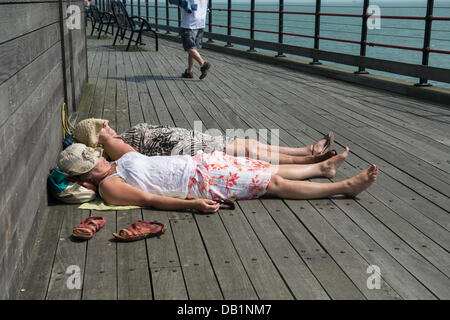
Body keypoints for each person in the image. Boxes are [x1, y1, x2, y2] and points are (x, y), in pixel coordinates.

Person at [58, 142, 378, 217]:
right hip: (201, 182)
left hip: (202, 163)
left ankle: (321, 170)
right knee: (271, 184)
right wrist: (192, 205)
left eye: (94, 153)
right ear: (85, 176)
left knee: (265, 170)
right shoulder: (109, 186)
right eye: (92, 161)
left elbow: (121, 146)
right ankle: (344, 188)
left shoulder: (116, 162)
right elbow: (151, 200)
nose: (98, 156)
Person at [73, 118, 336, 165]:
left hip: (190, 139)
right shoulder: (113, 146)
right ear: (98, 139)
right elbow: (138, 160)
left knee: (247, 143)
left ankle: (306, 151)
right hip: (183, 149)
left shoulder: (117, 137)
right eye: (101, 127)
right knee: (247, 150)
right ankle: (308, 159)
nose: (105, 124)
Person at [179, 0, 211, 79]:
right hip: (201, 22)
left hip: (189, 23)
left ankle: (203, 64)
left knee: (189, 48)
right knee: (193, 48)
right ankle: (189, 72)